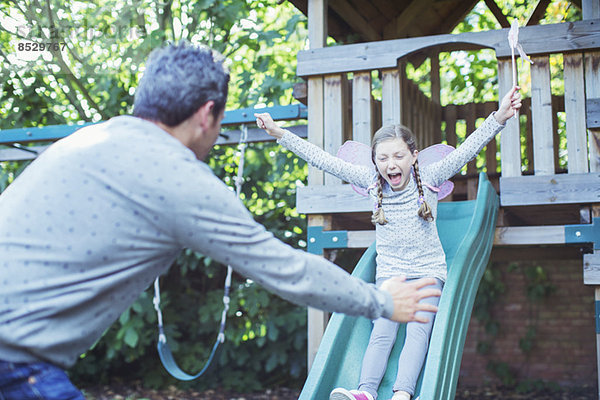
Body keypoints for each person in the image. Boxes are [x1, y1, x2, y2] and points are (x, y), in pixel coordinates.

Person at [0, 43, 442, 400]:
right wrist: (382, 302)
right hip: (15, 364)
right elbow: (284, 270)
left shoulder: (86, 139)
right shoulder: (175, 175)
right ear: (208, 114)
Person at [255, 85, 521, 400]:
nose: (390, 164)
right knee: (382, 332)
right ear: (375, 161)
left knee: (418, 332)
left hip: (427, 271)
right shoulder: (371, 181)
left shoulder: (432, 175)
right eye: (382, 157)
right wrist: (279, 133)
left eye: (398, 156)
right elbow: (323, 160)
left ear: (413, 156)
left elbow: (468, 149)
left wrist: (500, 116)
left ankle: (402, 394)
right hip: (391, 272)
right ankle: (366, 392)